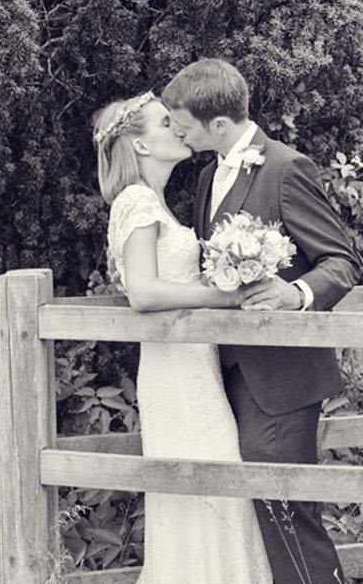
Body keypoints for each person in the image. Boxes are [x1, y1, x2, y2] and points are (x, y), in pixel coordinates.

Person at [162, 58, 363, 584]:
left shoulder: (287, 167)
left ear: (219, 124)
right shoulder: (208, 177)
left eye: (181, 121)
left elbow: (342, 262)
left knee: (286, 507)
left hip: (284, 376)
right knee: (261, 509)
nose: (175, 129)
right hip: (225, 372)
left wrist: (294, 293)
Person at [93, 91, 272, 583]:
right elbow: (145, 293)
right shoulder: (135, 201)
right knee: (205, 490)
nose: (177, 128)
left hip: (197, 369)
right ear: (141, 145)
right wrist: (226, 295)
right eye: (164, 123)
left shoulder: (159, 203)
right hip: (175, 375)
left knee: (217, 491)